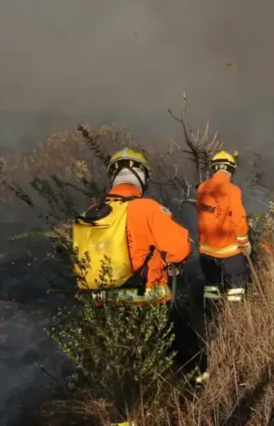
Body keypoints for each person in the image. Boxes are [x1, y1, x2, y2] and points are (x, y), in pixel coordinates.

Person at [74, 149, 199, 377]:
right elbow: (180, 248)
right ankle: (199, 386)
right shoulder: (146, 208)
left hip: (101, 306)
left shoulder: (91, 214)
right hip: (147, 302)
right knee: (186, 351)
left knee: (120, 366)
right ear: (142, 177)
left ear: (113, 177)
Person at [197, 150, 251, 304]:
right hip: (229, 251)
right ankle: (236, 314)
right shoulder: (232, 190)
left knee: (211, 285)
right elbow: (239, 219)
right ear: (231, 170)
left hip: (206, 251)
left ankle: (210, 313)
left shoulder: (201, 188)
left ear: (214, 168)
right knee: (237, 285)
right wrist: (244, 242)